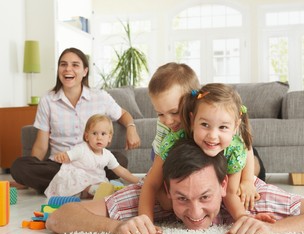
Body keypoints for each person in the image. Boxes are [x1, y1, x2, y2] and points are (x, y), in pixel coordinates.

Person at [46, 138, 304, 234]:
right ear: (167, 190)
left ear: (223, 187)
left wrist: (275, 229)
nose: (195, 212)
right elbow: (58, 217)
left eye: (205, 197)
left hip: (236, 152)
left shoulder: (247, 195)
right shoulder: (150, 192)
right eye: (182, 198)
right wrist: (113, 227)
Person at [138, 66, 260, 224]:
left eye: (175, 112)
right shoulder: (169, 135)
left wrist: (248, 181)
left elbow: (246, 147)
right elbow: (152, 181)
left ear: (191, 102)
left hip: (235, 154)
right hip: (165, 152)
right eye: (160, 114)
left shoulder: (222, 125)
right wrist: (145, 217)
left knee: (252, 168)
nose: (167, 121)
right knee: (166, 202)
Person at [10, 47, 140, 193]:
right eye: (63, 64)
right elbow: (41, 146)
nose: (68, 69)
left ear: (85, 71)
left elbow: (123, 114)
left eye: (75, 65)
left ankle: (68, 186)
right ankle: (89, 187)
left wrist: (131, 127)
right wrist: (29, 173)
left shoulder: (100, 97)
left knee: (119, 160)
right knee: (19, 166)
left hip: (92, 164)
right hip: (60, 165)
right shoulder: (48, 100)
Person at [44, 114, 140, 199]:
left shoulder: (107, 155)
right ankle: (92, 191)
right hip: (75, 180)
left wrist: (137, 181)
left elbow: (121, 170)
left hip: (94, 179)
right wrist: (62, 156)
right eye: (94, 133)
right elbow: (68, 155)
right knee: (82, 179)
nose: (99, 137)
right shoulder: (81, 149)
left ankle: (94, 192)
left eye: (103, 134)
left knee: (104, 184)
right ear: (87, 136)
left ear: (109, 138)